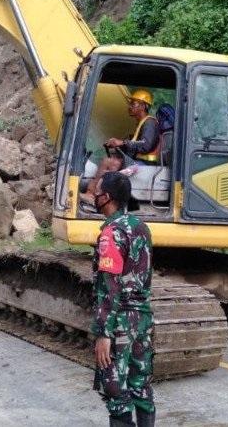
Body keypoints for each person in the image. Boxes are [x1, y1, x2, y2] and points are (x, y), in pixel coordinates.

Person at [91, 172, 156, 427]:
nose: (93, 195)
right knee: (141, 386)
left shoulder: (111, 233)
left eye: (97, 192)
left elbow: (110, 286)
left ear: (106, 198)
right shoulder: (141, 227)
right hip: (142, 318)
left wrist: (104, 333)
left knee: (116, 391)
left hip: (119, 321)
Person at [81, 89, 161, 204]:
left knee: (111, 163)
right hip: (138, 161)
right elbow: (136, 144)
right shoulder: (142, 122)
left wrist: (122, 143)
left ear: (143, 106)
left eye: (134, 104)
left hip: (145, 164)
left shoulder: (150, 123)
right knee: (110, 159)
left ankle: (94, 195)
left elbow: (145, 145)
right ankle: (98, 195)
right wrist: (117, 145)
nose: (130, 107)